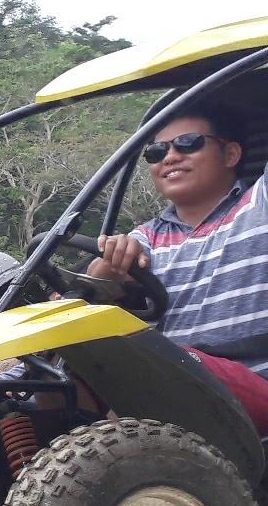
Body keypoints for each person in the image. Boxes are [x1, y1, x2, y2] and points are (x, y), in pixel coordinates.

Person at [86, 109, 268, 431]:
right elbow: (94, 283)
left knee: (153, 368)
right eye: (157, 151)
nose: (170, 157)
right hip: (170, 377)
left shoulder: (259, 205)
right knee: (39, 372)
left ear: (230, 154)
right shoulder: (146, 237)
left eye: (188, 144)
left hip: (250, 379)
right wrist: (109, 270)